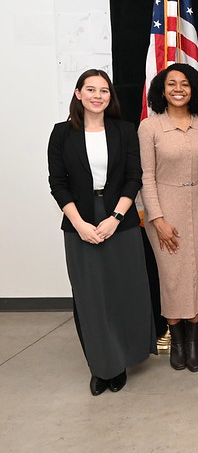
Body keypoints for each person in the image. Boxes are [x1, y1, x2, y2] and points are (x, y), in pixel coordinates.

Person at [47, 69, 157, 396]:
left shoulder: (125, 131)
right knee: (91, 298)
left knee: (123, 292)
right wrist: (80, 224)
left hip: (119, 220)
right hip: (78, 221)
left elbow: (133, 178)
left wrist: (114, 217)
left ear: (111, 97)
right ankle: (101, 367)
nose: (98, 95)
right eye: (91, 89)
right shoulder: (61, 134)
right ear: (78, 94)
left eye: (104, 90)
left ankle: (121, 362)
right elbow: (58, 184)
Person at [139, 63, 198, 373]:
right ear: (161, 90)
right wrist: (157, 219)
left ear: (194, 89)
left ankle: (194, 342)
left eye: (185, 83)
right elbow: (146, 177)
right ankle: (177, 340)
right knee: (172, 277)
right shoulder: (150, 127)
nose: (178, 89)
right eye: (172, 84)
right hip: (165, 208)